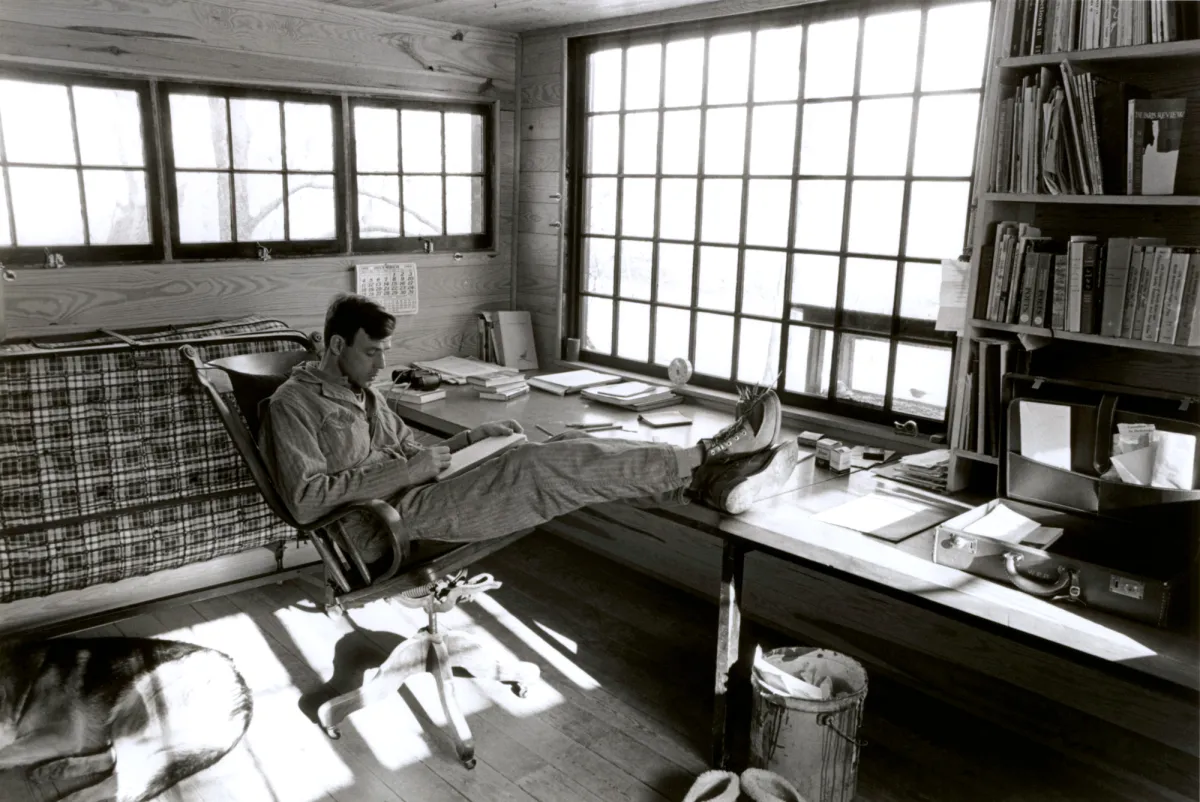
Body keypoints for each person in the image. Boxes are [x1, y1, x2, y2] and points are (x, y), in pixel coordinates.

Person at [260, 294, 798, 567]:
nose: (380, 365)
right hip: (379, 526)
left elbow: (411, 451)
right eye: (371, 352)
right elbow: (307, 503)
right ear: (335, 347)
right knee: (539, 468)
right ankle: (707, 459)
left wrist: (468, 441)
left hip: (418, 490)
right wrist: (413, 467)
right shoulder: (292, 406)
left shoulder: (364, 392)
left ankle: (705, 474)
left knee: (558, 444)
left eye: (384, 352)